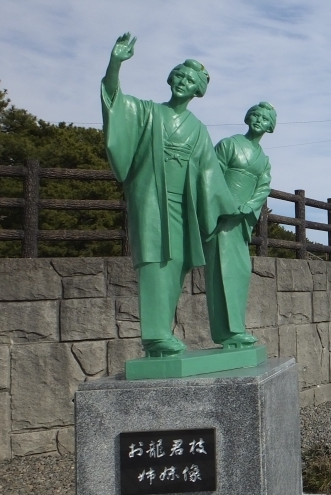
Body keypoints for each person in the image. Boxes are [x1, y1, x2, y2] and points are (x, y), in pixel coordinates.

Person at [101, 32, 240, 357]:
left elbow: (209, 173)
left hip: (183, 202)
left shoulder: (198, 129)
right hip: (151, 196)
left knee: (176, 263)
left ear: (198, 90)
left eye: (189, 80)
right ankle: (154, 336)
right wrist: (115, 64)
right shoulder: (148, 112)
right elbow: (114, 101)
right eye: (179, 75)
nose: (182, 82)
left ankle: (162, 333)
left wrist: (225, 208)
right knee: (153, 259)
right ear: (171, 79)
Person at [203, 103, 275, 347]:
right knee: (221, 272)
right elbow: (211, 175)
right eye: (255, 115)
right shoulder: (229, 144)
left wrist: (248, 206)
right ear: (248, 117)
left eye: (265, 119)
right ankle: (228, 332)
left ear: (270, 127)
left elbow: (264, 186)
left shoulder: (263, 161)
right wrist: (225, 206)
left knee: (240, 272)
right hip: (222, 217)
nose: (258, 120)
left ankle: (235, 328)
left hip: (241, 219)